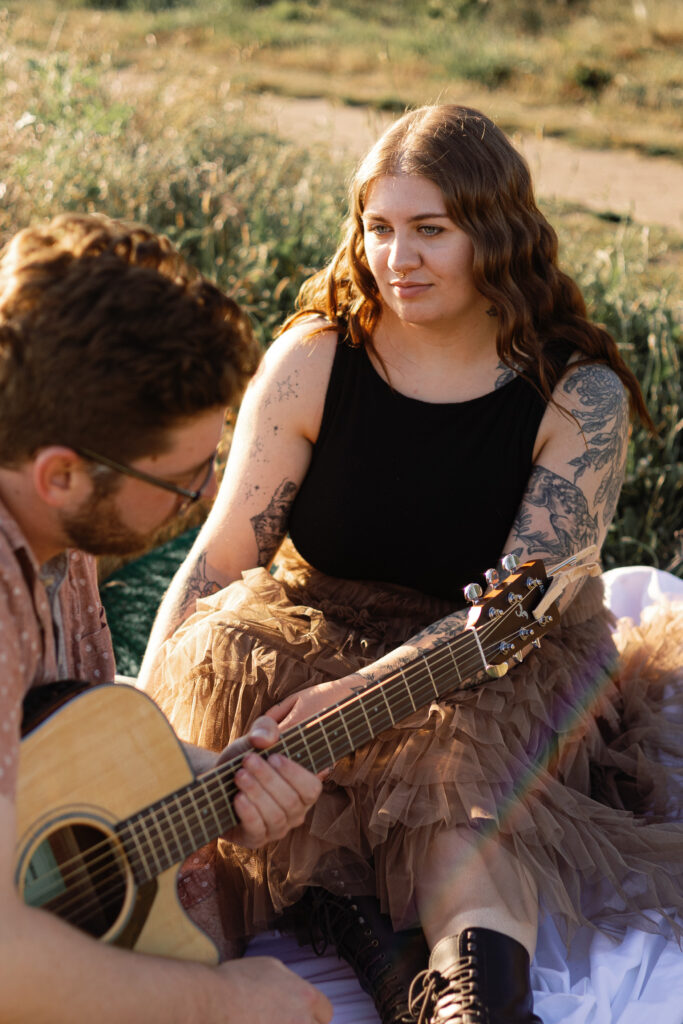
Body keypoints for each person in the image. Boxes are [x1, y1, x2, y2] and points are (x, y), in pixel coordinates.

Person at [139, 105, 683, 1024]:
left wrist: (353, 703)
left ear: (496, 234)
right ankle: (383, 963)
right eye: (379, 228)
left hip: (494, 654)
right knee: (225, 656)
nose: (399, 259)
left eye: (431, 231)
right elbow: (225, 553)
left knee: (451, 780)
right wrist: (149, 721)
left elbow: (523, 612)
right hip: (312, 628)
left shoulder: (574, 392)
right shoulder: (315, 357)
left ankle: (475, 1005)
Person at [0, 213, 333, 1024]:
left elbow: (50, 731)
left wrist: (207, 777)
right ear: (62, 475)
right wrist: (220, 1002)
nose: (199, 505)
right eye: (186, 482)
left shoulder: (59, 529)